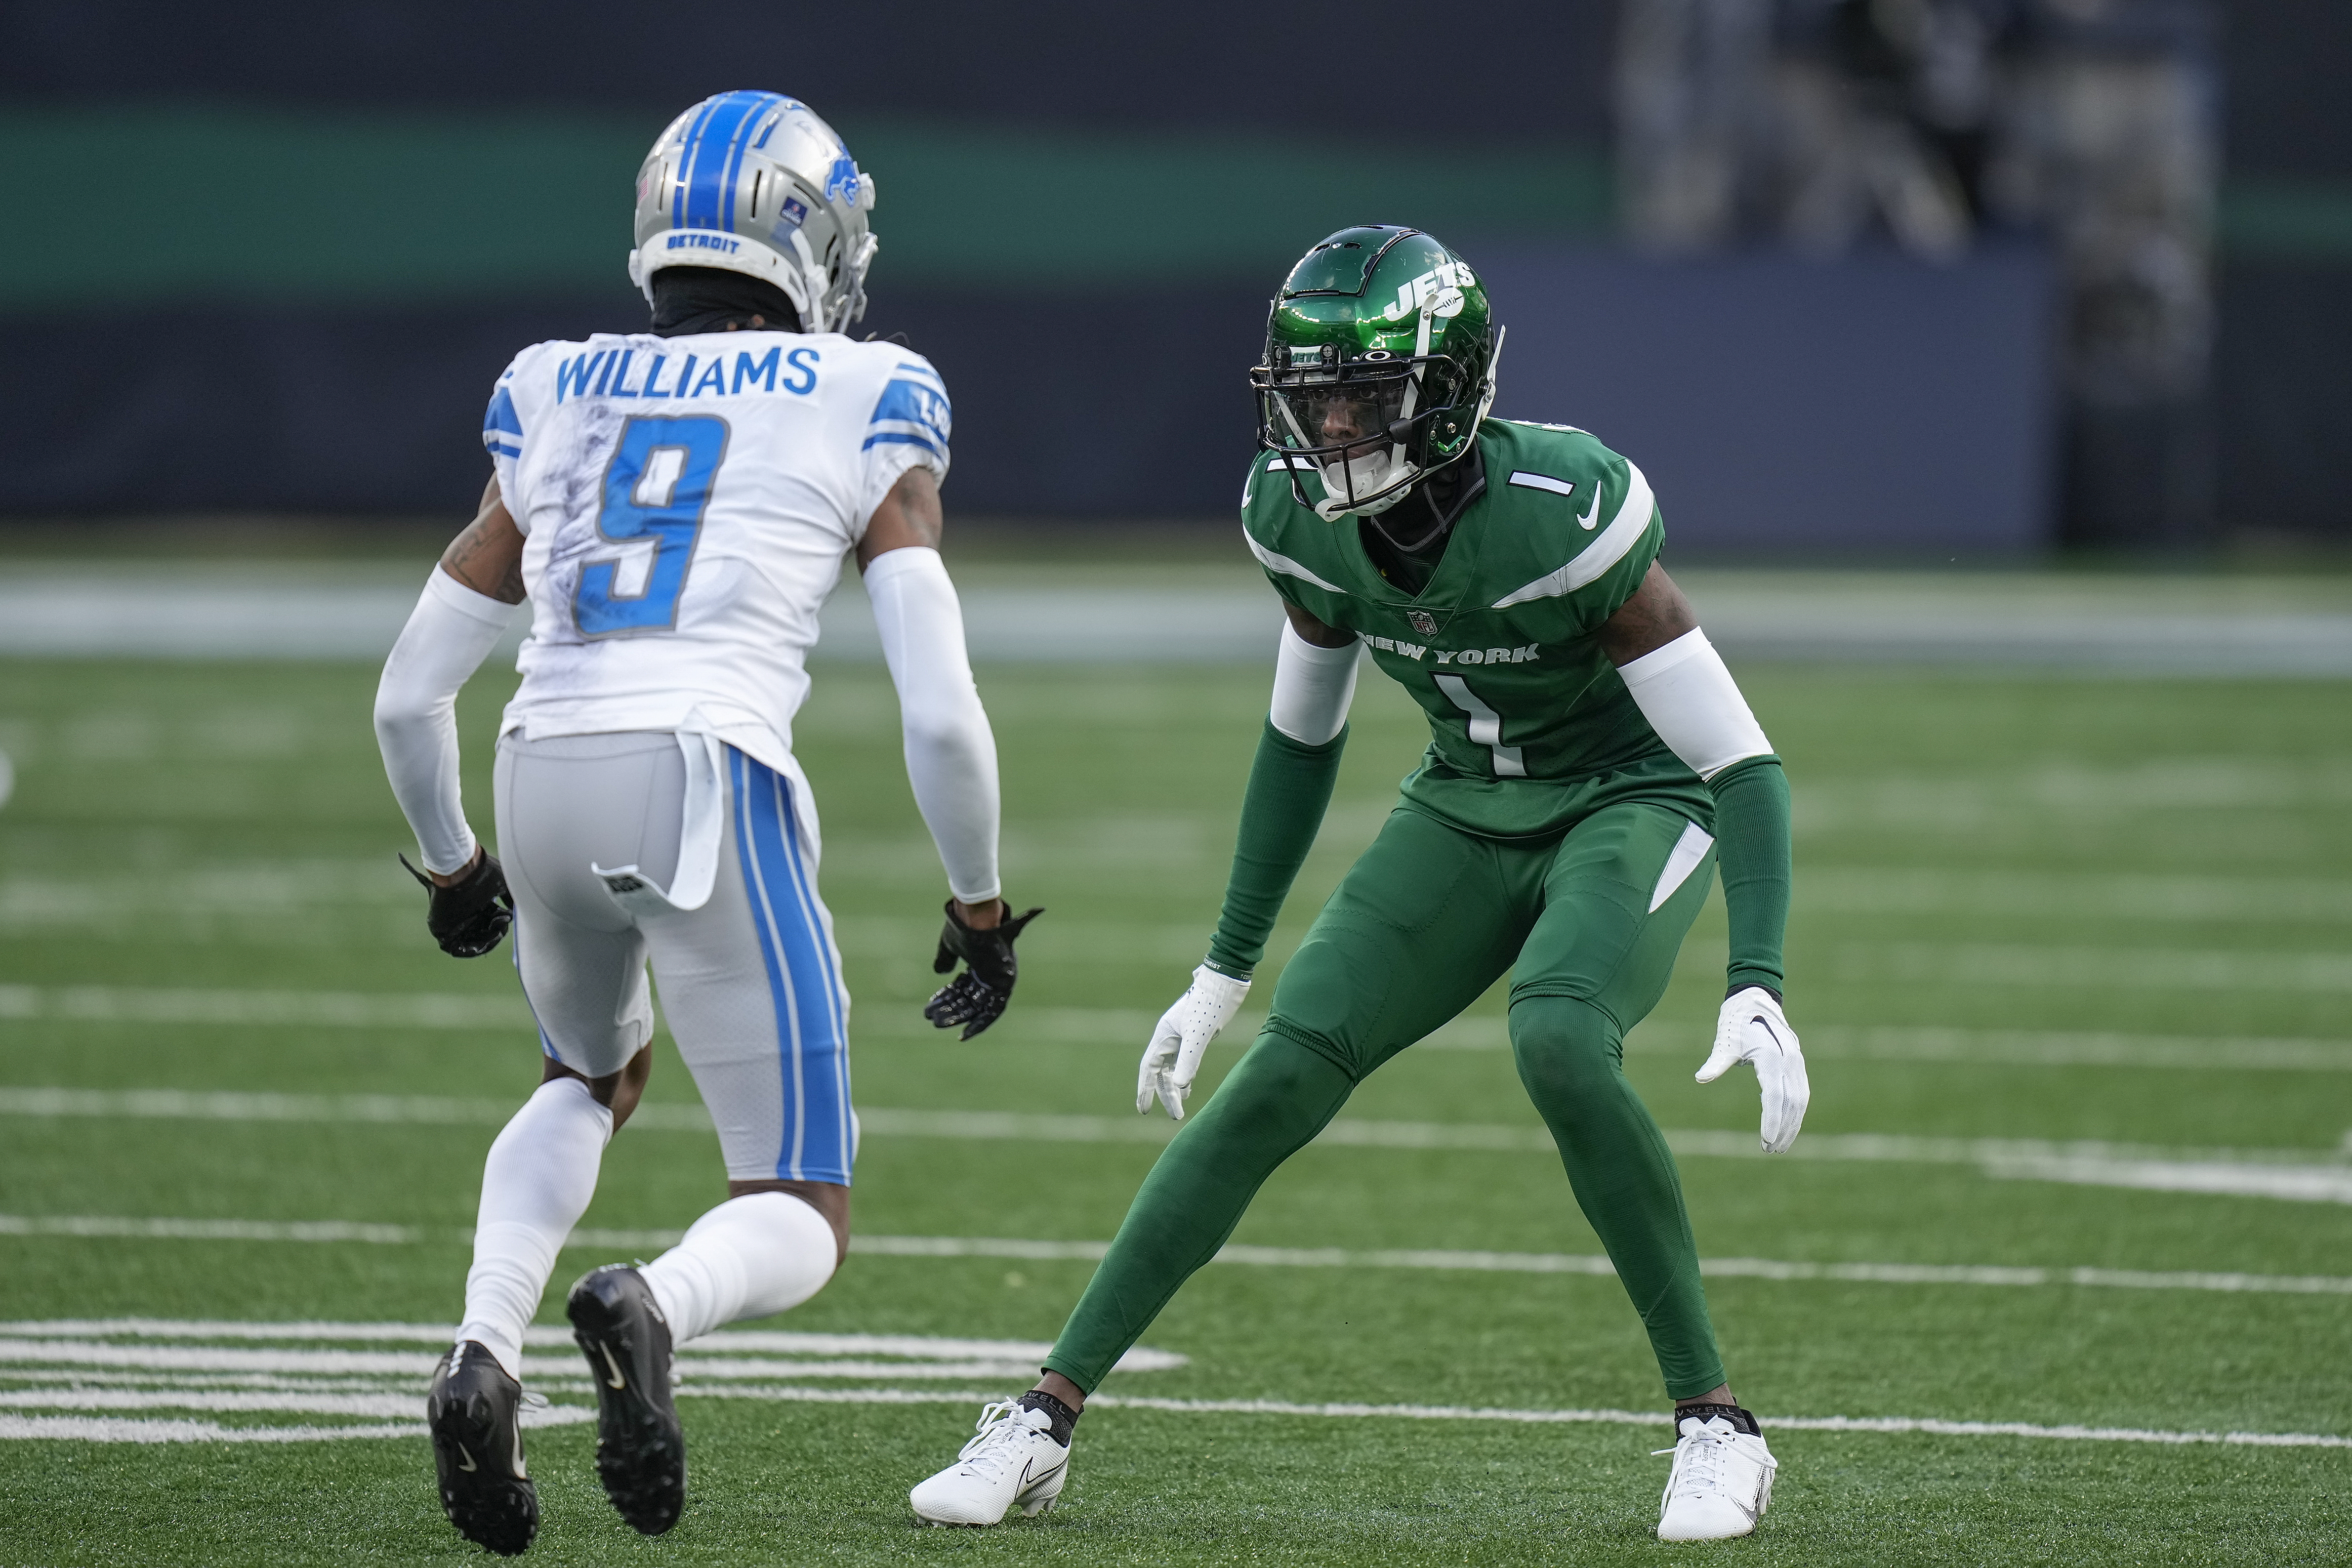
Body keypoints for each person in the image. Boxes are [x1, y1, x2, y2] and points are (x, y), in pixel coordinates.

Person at [906, 226, 1806, 1543]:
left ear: (1443, 392)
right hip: (1461, 802)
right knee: (1277, 1070)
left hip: (1628, 798)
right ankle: (1042, 1415)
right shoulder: (1299, 523)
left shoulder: (1560, 508)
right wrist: (1224, 966)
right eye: (1307, 391)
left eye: (1358, 395)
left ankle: (1717, 1425)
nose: (1324, 422)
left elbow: (1740, 760)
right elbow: (1301, 740)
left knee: (1559, 1036)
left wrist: (1759, 980)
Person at [372, 89, 1039, 1557]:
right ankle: (649, 1304)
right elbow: (938, 707)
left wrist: (449, 866)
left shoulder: (557, 385)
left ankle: (485, 1347)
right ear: (812, 243)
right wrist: (980, 906)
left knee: (583, 1076)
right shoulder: (864, 388)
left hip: (536, 763)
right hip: (707, 767)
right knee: (800, 1204)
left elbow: (410, 696)